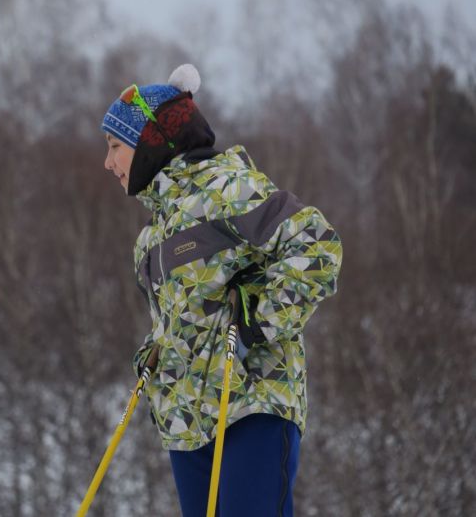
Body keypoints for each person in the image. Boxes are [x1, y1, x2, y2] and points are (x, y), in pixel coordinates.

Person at [100, 65, 342, 517]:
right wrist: (155, 352)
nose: (108, 162)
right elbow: (187, 317)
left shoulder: (227, 189)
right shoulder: (150, 241)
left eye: (116, 147)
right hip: (188, 422)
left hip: (252, 404)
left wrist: (258, 316)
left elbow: (317, 245)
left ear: (153, 143)